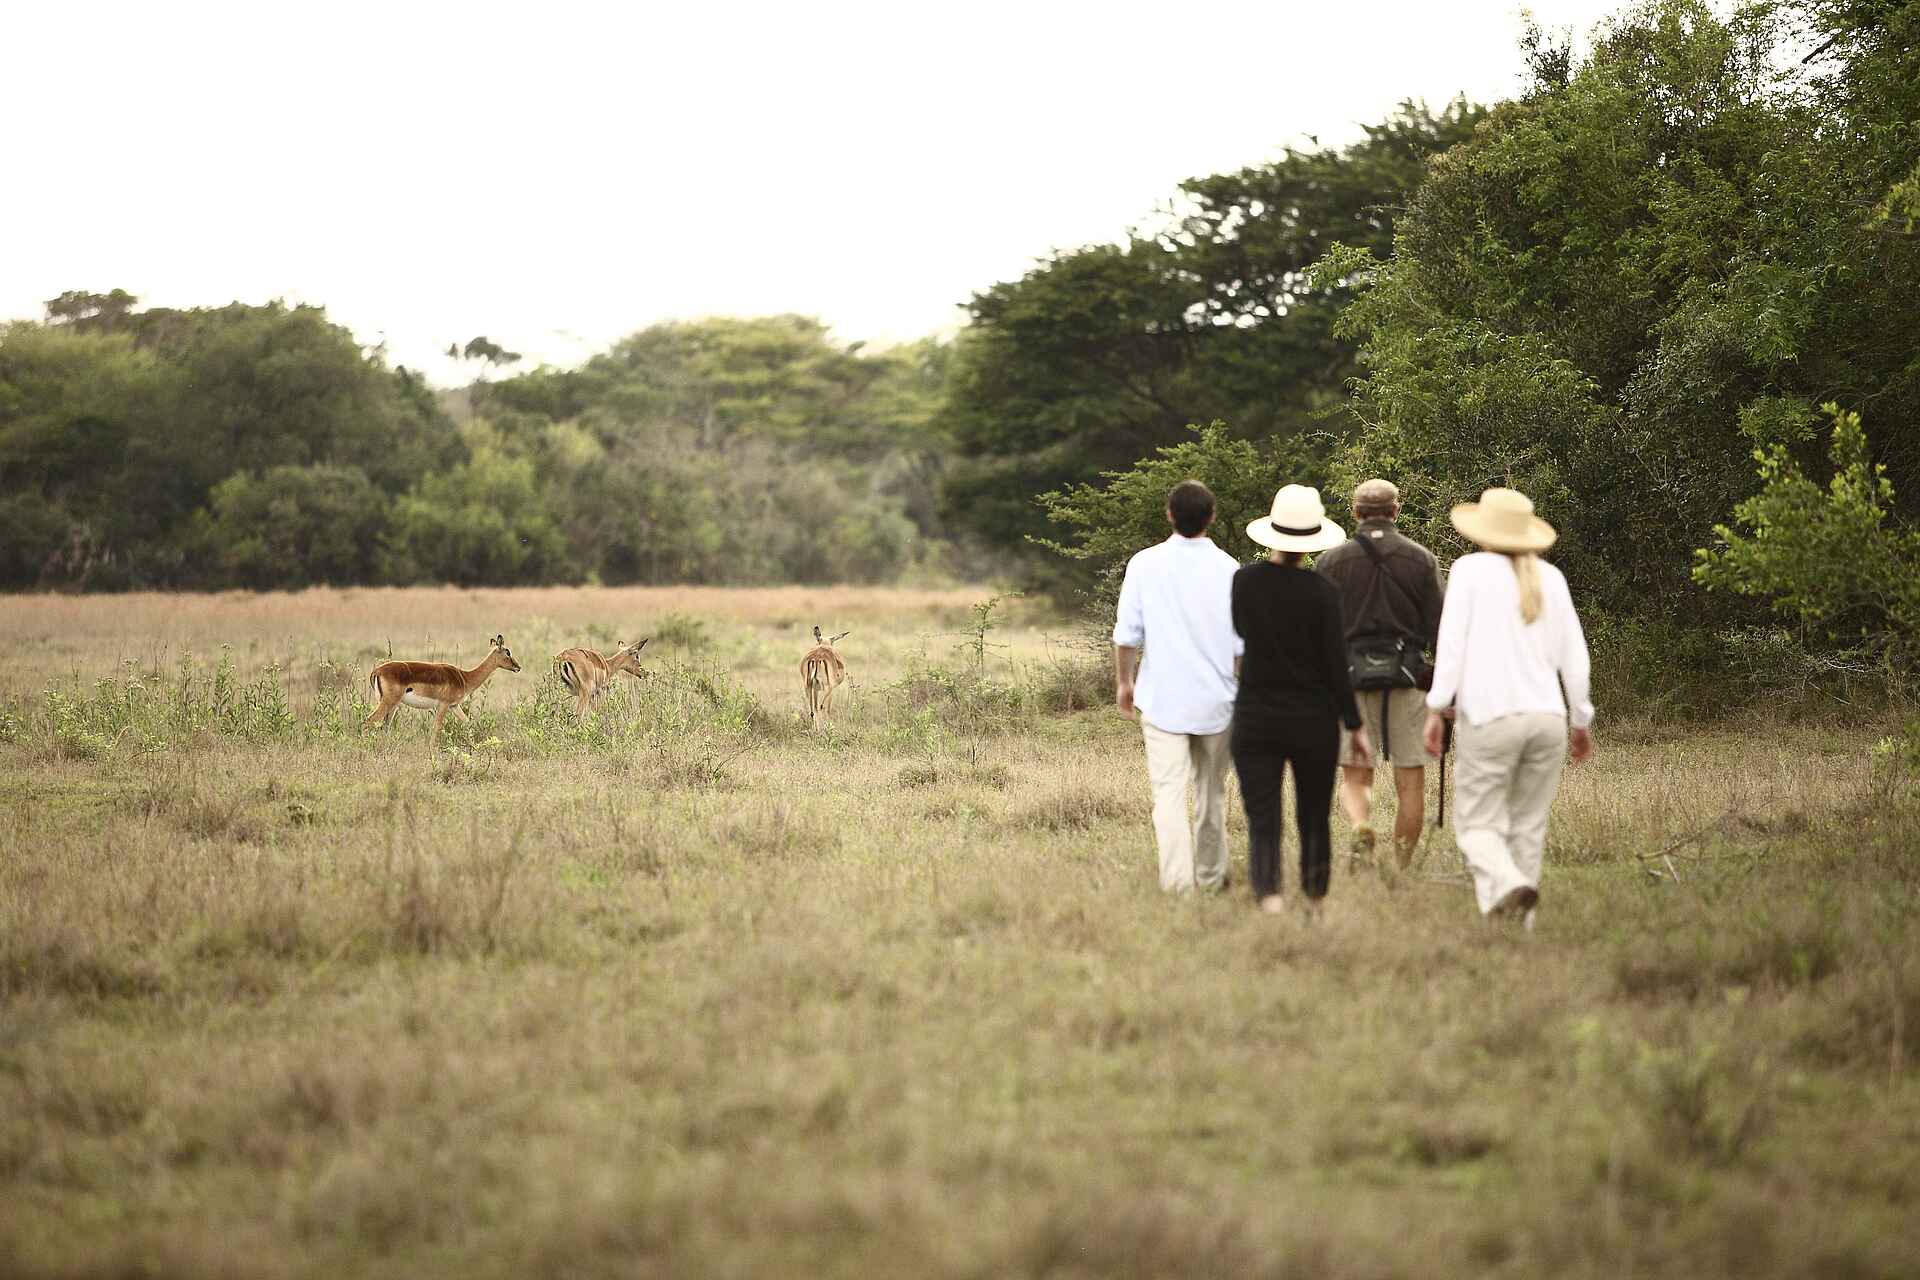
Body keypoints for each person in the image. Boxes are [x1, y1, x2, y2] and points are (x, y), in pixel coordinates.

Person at [1422, 487, 1594, 926]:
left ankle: (1506, 883)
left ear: (1483, 530)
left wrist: (1437, 707)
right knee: (1528, 828)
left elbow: (1451, 646)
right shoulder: (1551, 578)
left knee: (1477, 825)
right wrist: (1581, 721)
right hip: (1548, 719)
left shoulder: (1469, 571)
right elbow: (1575, 658)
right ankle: (1512, 924)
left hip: (1491, 716)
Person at [1231, 484, 1372, 916]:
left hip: (1256, 714)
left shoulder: (1245, 582)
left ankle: (1270, 895)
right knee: (1313, 812)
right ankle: (1314, 896)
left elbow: (1239, 632)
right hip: (1314, 718)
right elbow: (1335, 664)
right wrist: (1354, 723)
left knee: (1263, 813)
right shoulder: (1323, 591)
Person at [1113, 480, 1244, 892]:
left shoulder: (1144, 564)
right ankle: (1211, 877)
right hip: (1217, 701)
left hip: (1162, 700)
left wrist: (1124, 682)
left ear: (1169, 514)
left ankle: (1178, 885)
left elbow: (1127, 635)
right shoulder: (1229, 568)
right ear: (1212, 517)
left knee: (1168, 796)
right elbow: (1241, 645)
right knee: (1211, 795)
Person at [1314, 478, 1445, 868]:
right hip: (1408, 679)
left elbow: (1320, 631)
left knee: (1356, 775)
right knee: (1410, 781)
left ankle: (1360, 825)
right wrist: (1444, 688)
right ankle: (1401, 867)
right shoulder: (1421, 559)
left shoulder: (1330, 562)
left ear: (1355, 512)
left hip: (1350, 681)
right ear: (1395, 511)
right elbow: (1441, 631)